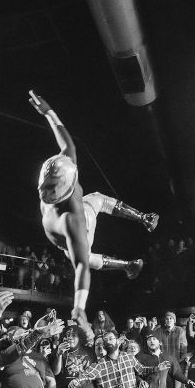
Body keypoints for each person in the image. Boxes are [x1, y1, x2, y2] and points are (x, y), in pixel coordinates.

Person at [29, 90, 158, 329]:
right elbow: (65, 139)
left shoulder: (70, 211)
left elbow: (81, 268)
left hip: (82, 219)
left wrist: (79, 306)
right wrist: (48, 112)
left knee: (88, 244)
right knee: (95, 207)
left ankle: (132, 252)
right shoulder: (68, 169)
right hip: (81, 219)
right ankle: (140, 229)